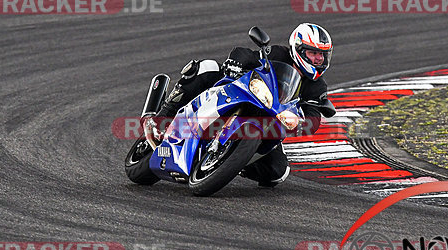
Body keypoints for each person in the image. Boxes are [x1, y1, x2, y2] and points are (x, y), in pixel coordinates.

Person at [142, 23, 335, 187]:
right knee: (206, 67)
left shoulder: (317, 86)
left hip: (269, 121)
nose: (318, 59)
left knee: (277, 172)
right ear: (298, 49)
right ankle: (162, 117)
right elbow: (246, 54)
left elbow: (314, 115)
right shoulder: (277, 53)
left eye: (322, 54)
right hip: (243, 94)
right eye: (313, 53)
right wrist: (237, 62)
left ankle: (232, 160)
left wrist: (303, 122)